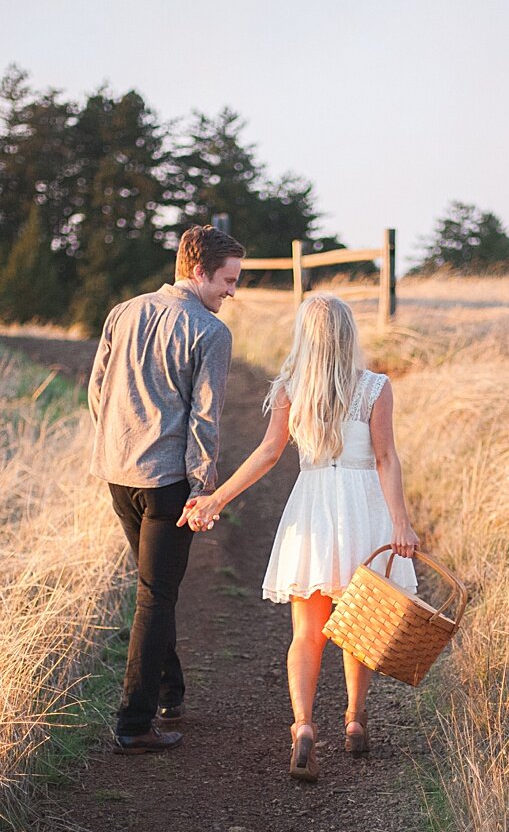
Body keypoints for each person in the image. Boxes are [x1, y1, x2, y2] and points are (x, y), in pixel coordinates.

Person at [180, 293, 419, 781]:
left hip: (313, 508)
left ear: (305, 338)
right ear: (349, 335)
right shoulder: (374, 387)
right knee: (360, 625)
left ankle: (304, 726)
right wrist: (400, 521)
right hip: (363, 508)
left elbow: (268, 453)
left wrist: (216, 499)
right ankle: (354, 719)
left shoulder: (293, 387)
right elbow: (385, 459)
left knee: (306, 633)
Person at [88, 224, 243, 754]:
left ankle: (169, 691)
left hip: (118, 472)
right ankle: (134, 724)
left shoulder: (123, 311)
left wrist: (114, 445)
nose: (232, 291)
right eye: (227, 280)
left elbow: (97, 388)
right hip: (168, 482)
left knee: (157, 588)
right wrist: (203, 489)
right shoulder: (211, 332)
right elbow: (206, 418)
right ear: (198, 271)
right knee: (155, 597)